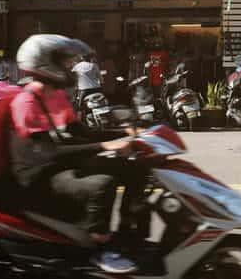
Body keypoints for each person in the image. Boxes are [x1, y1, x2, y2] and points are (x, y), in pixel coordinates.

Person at [9, 34, 142, 274]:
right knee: (102, 185)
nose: (71, 67)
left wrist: (126, 132)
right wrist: (105, 148)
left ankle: (128, 233)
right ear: (45, 64)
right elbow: (49, 153)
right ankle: (97, 250)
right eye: (65, 62)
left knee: (134, 167)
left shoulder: (57, 96)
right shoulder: (26, 102)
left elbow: (84, 133)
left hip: (59, 164)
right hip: (37, 174)